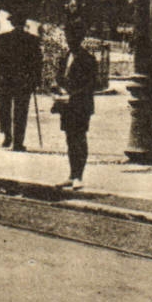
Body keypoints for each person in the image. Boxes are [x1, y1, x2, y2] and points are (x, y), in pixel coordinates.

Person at [54, 24, 99, 190]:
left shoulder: (88, 59)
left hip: (80, 105)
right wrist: (57, 89)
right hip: (66, 105)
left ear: (79, 39)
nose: (69, 40)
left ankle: (79, 175)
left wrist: (71, 96)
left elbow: (91, 84)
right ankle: (72, 174)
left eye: (72, 37)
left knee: (79, 138)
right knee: (70, 139)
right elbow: (60, 77)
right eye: (67, 37)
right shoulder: (65, 57)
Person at [0, 13, 42, 151]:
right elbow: (37, 62)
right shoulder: (32, 40)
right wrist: (35, 80)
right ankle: (18, 142)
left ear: (12, 23)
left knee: (4, 109)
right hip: (23, 80)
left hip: (6, 80)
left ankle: (7, 136)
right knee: (21, 111)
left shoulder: (3, 38)